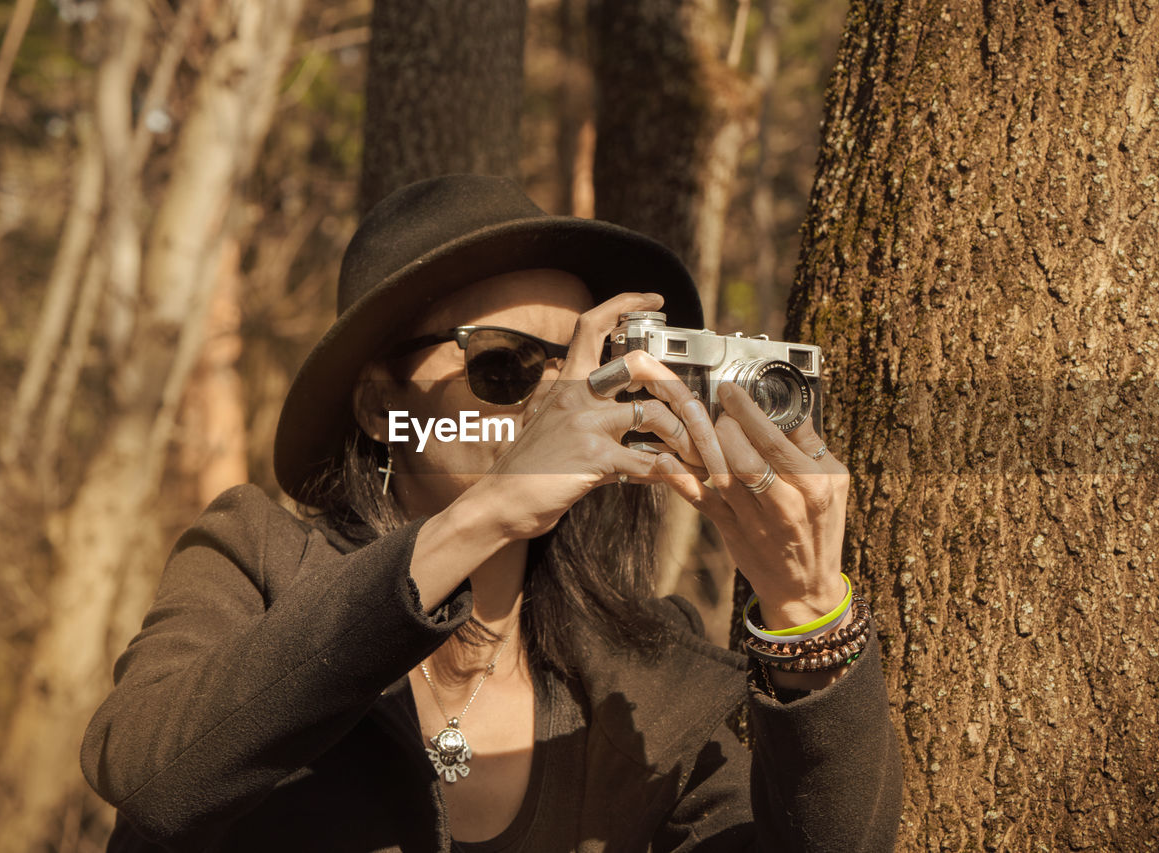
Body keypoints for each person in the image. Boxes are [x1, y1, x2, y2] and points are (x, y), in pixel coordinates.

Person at [81, 175, 903, 852]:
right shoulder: (255, 559)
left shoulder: (648, 678)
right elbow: (150, 773)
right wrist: (493, 508)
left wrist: (804, 617)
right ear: (378, 406)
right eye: (504, 364)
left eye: (583, 367)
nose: (558, 398)